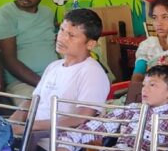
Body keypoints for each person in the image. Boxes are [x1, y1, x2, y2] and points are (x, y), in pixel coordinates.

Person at [19, 8, 111, 137]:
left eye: (71, 35)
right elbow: (32, 101)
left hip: (54, 142)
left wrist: (29, 127)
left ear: (90, 44)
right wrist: (10, 124)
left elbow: (80, 119)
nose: (61, 38)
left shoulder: (92, 73)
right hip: (30, 135)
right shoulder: (53, 67)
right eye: (62, 30)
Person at [0, 0, 58, 96]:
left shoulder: (47, 13)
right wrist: (43, 84)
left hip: (54, 78)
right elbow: (9, 61)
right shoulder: (3, 16)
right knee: (38, 105)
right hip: (21, 83)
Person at [132, 0, 168, 78]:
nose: (158, 23)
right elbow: (137, 77)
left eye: (165, 17)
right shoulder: (148, 46)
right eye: (155, 18)